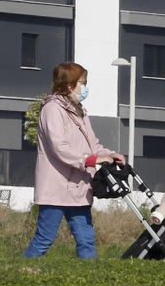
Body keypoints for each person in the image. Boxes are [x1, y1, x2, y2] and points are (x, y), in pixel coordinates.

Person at [24, 61, 123, 259]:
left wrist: (110, 155)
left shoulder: (80, 111)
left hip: (79, 187)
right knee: (44, 239)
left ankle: (88, 274)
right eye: (83, 83)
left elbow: (92, 144)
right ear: (70, 85)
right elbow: (59, 147)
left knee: (86, 239)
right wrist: (91, 160)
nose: (85, 88)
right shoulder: (52, 109)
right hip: (56, 186)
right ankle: (20, 271)